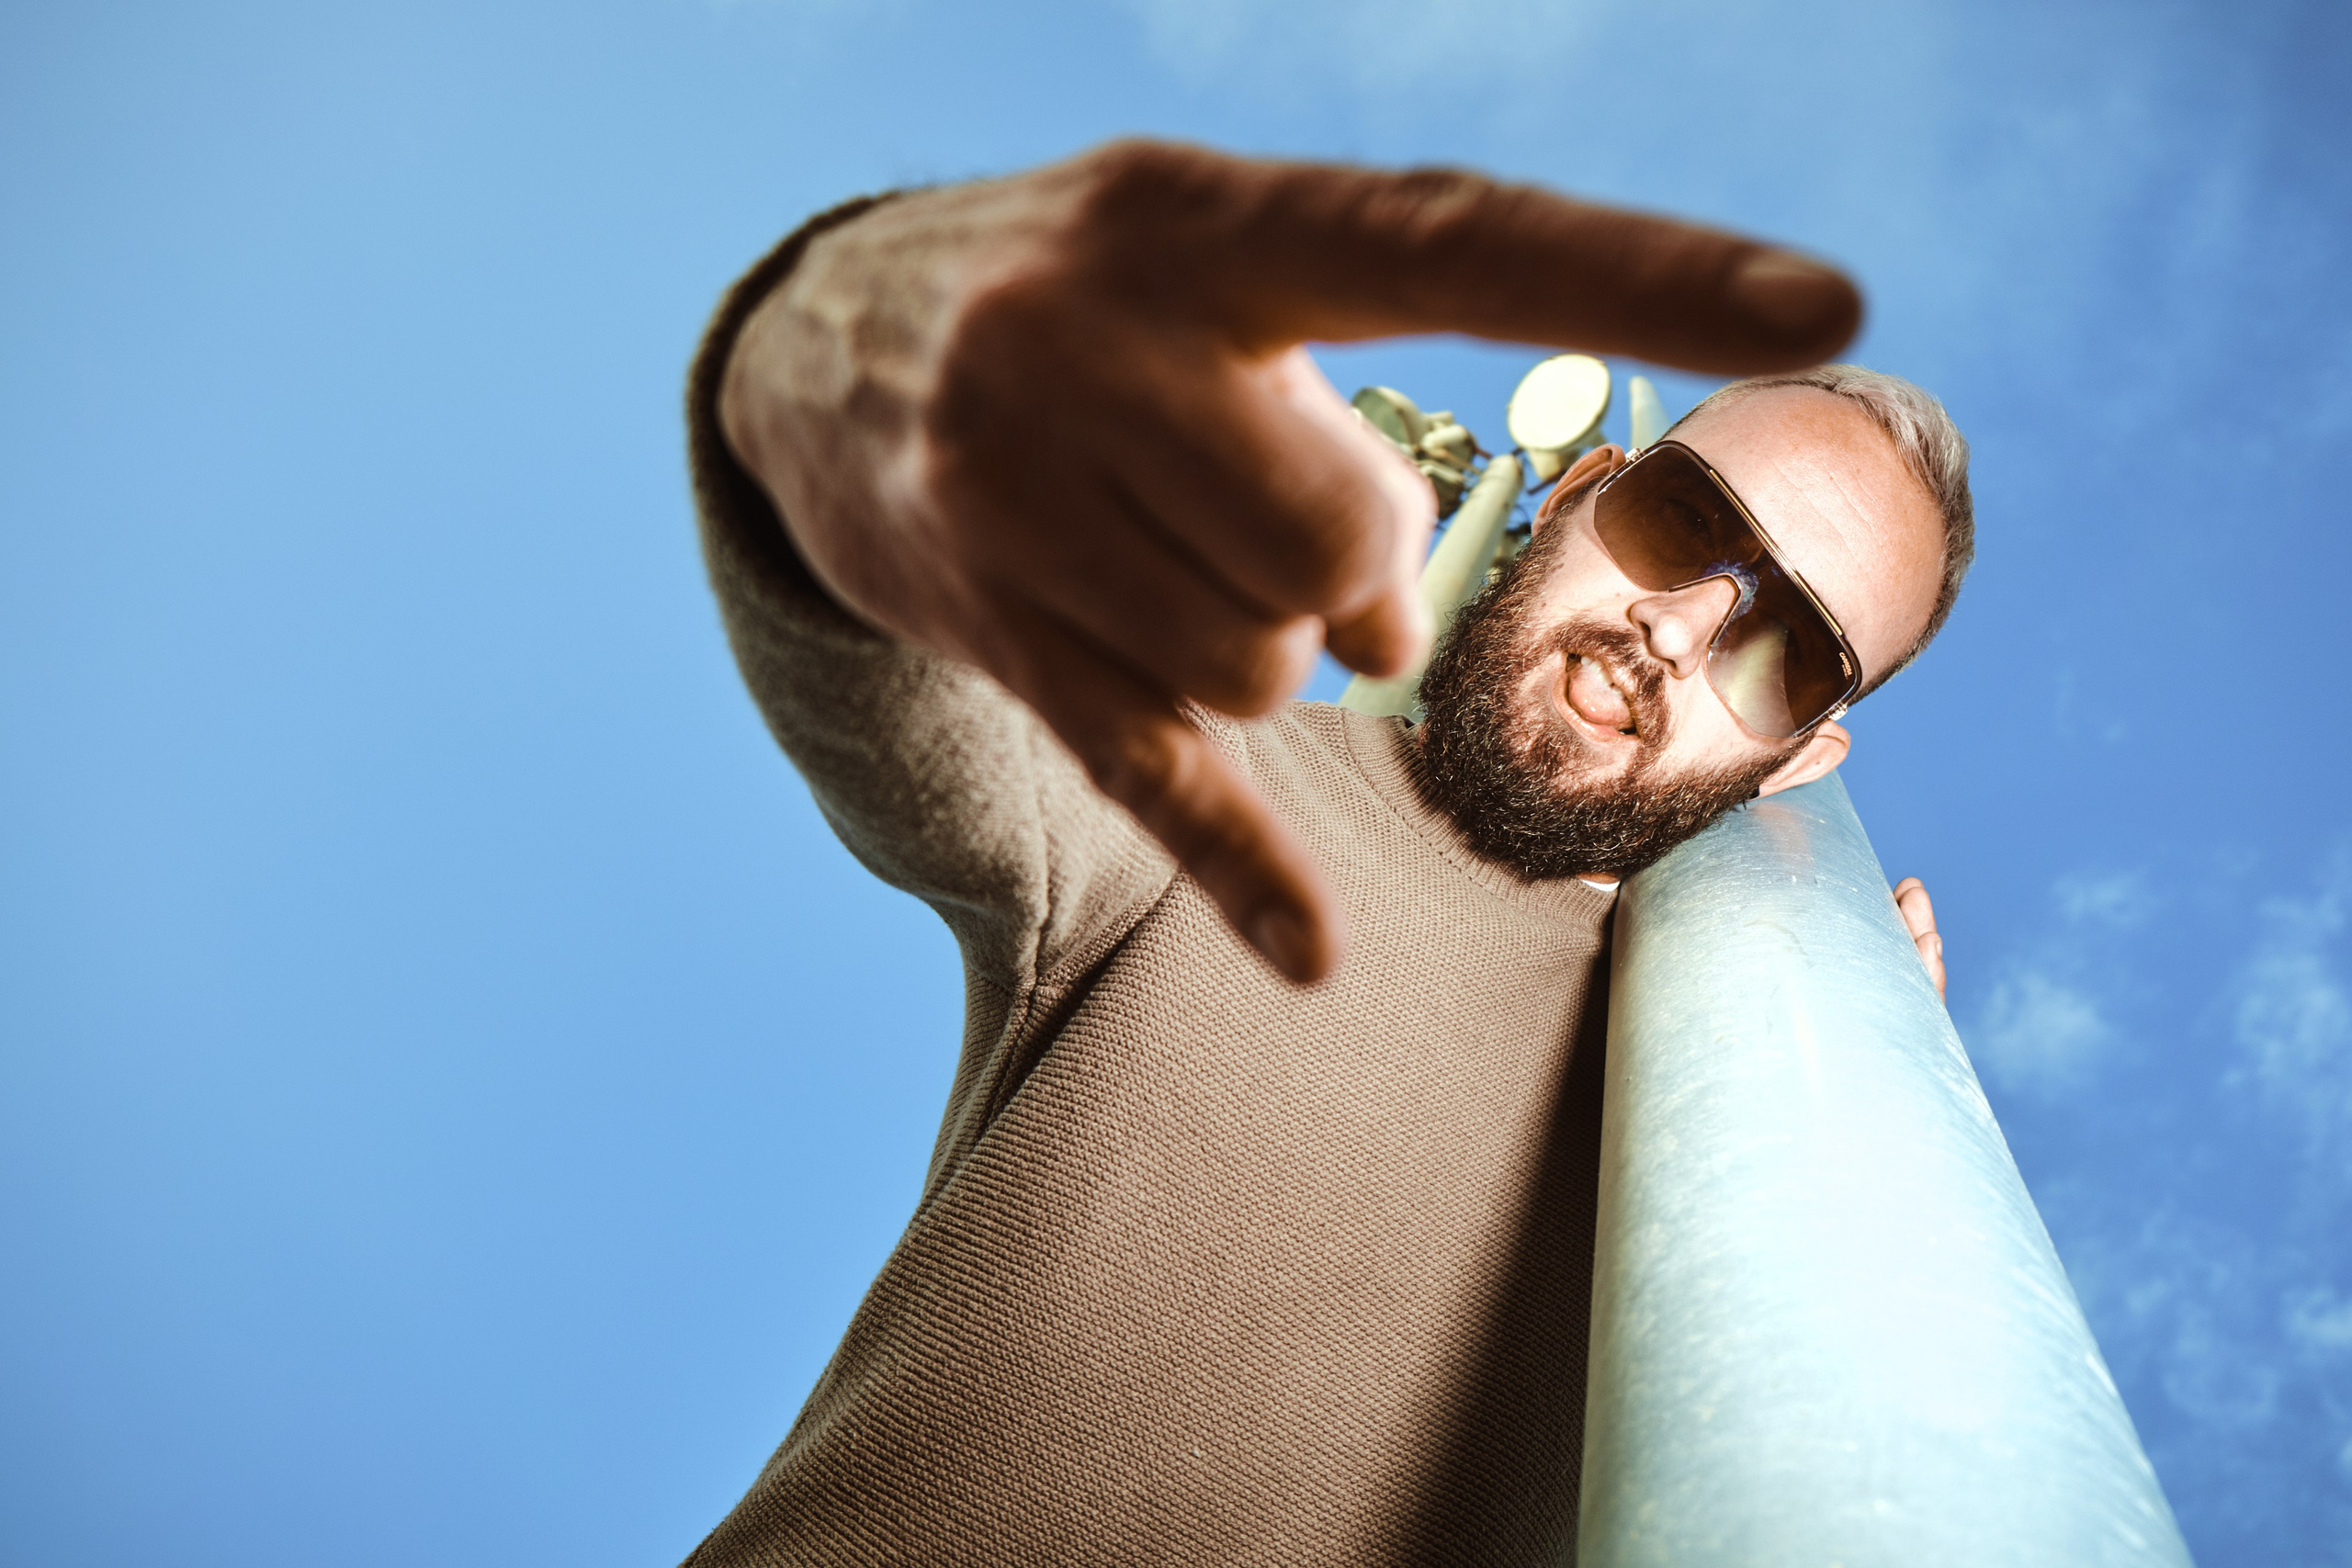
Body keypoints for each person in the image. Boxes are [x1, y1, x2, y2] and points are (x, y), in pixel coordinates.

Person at [682, 140, 1964, 1566]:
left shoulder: (1743, 1129)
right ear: (1578, 488)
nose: (1676, 631)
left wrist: (1845, 1134)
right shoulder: (1220, 790)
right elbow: (893, 641)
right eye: (1681, 524)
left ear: (1802, 758)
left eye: (1785, 651)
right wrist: (873, 325)